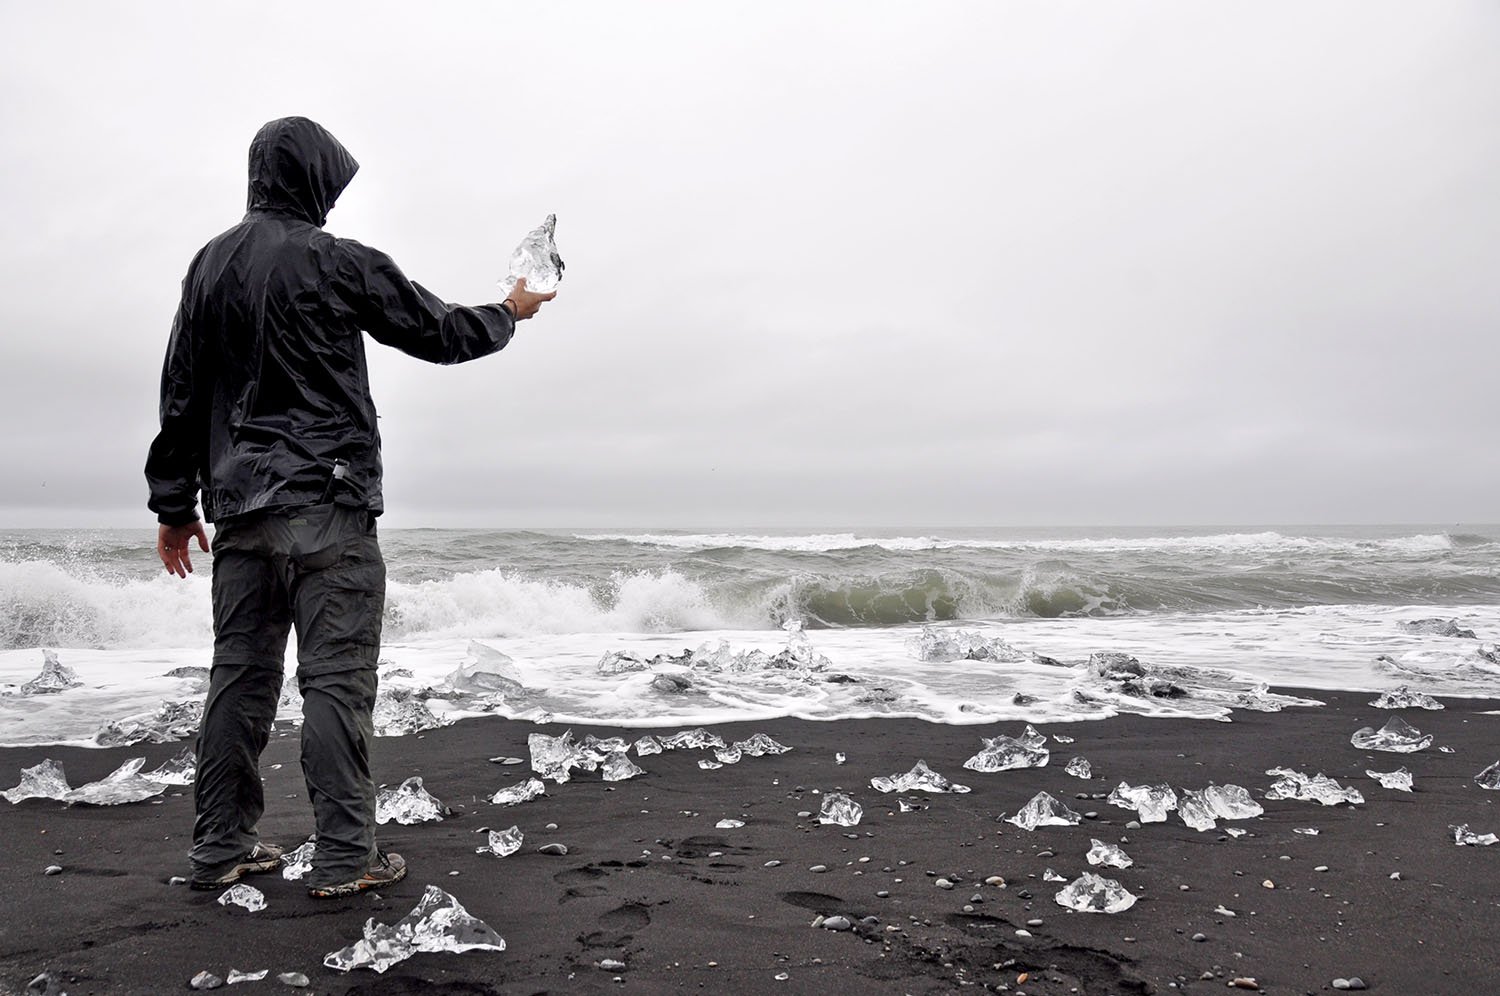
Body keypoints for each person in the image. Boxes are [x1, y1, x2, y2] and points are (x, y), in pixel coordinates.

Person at [145, 116, 555, 898]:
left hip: (240, 512)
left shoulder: (209, 265)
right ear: (314, 180)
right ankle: (344, 857)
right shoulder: (335, 261)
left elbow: (181, 393)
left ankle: (220, 849)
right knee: (334, 684)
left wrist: (173, 505)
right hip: (330, 505)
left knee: (239, 679)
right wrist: (511, 310)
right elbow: (439, 331)